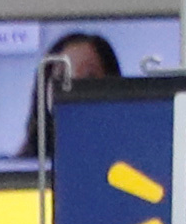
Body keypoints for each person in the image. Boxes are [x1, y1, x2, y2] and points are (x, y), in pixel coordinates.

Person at [13, 27, 124, 170]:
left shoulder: (131, 166)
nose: (72, 87)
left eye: (88, 77)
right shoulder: (16, 172)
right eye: (61, 77)